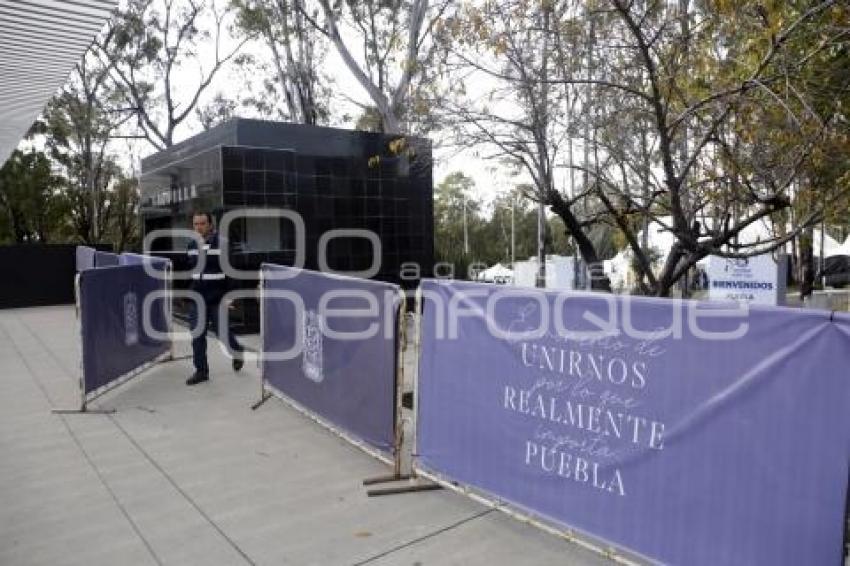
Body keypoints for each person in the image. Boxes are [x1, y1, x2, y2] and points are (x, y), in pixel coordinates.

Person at [186, 211, 244, 385]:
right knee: (197, 335)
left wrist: (231, 298)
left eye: (202, 223)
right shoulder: (190, 245)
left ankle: (236, 351)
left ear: (210, 224)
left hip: (218, 298)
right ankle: (201, 371)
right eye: (196, 224)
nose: (199, 227)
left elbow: (232, 273)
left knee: (223, 333)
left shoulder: (222, 244)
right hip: (198, 298)